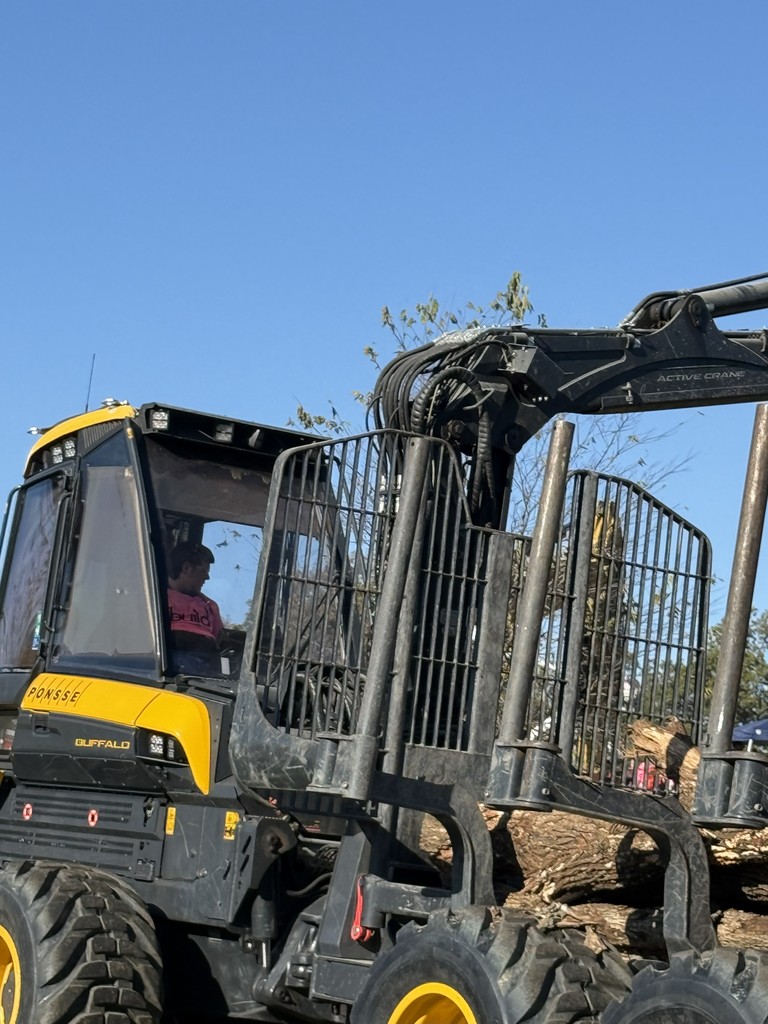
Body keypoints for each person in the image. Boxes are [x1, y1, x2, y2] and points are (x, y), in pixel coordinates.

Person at [167, 542, 224, 651]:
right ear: (187, 568)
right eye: (203, 571)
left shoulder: (211, 607)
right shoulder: (155, 599)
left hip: (202, 663)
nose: (207, 577)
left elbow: (219, 640)